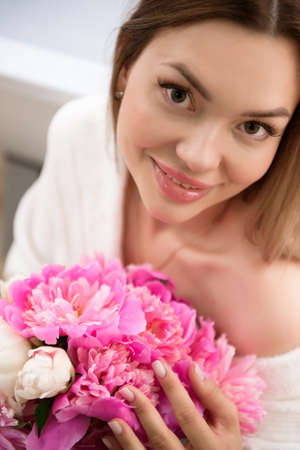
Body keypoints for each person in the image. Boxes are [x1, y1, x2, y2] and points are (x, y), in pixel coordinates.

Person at [3, 0, 300, 448]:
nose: (198, 157)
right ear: (125, 64)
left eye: (254, 126)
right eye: (179, 94)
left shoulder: (283, 310)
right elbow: (15, 306)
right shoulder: (82, 140)